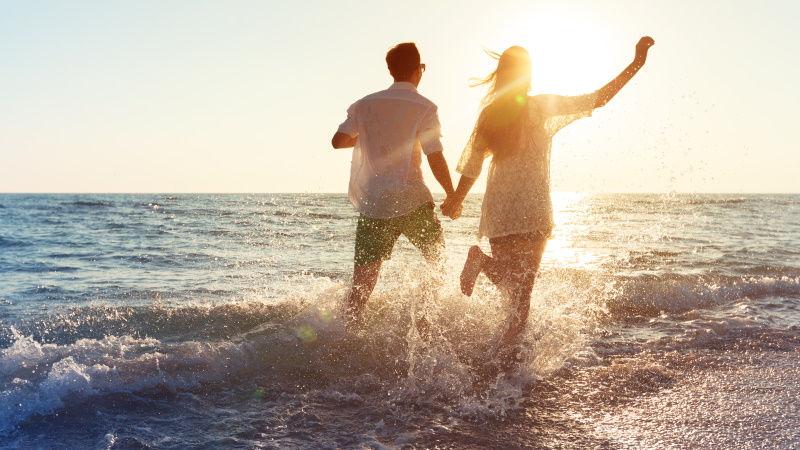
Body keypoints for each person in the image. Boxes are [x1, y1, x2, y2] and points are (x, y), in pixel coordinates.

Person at [441, 37, 655, 360]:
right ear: (527, 75)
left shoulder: (490, 115)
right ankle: (506, 368)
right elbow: (597, 99)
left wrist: (457, 200)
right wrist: (636, 64)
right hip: (533, 211)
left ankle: (484, 266)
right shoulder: (541, 107)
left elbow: (472, 166)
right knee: (521, 297)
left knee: (510, 288)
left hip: (500, 210)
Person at [332, 42, 456, 335]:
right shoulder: (425, 107)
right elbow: (434, 154)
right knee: (438, 262)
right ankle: (425, 324)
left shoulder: (364, 104)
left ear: (390, 70)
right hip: (413, 199)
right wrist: (452, 194)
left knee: (363, 282)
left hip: (375, 204)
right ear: (418, 70)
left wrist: (370, 138)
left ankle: (349, 336)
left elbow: (338, 141)